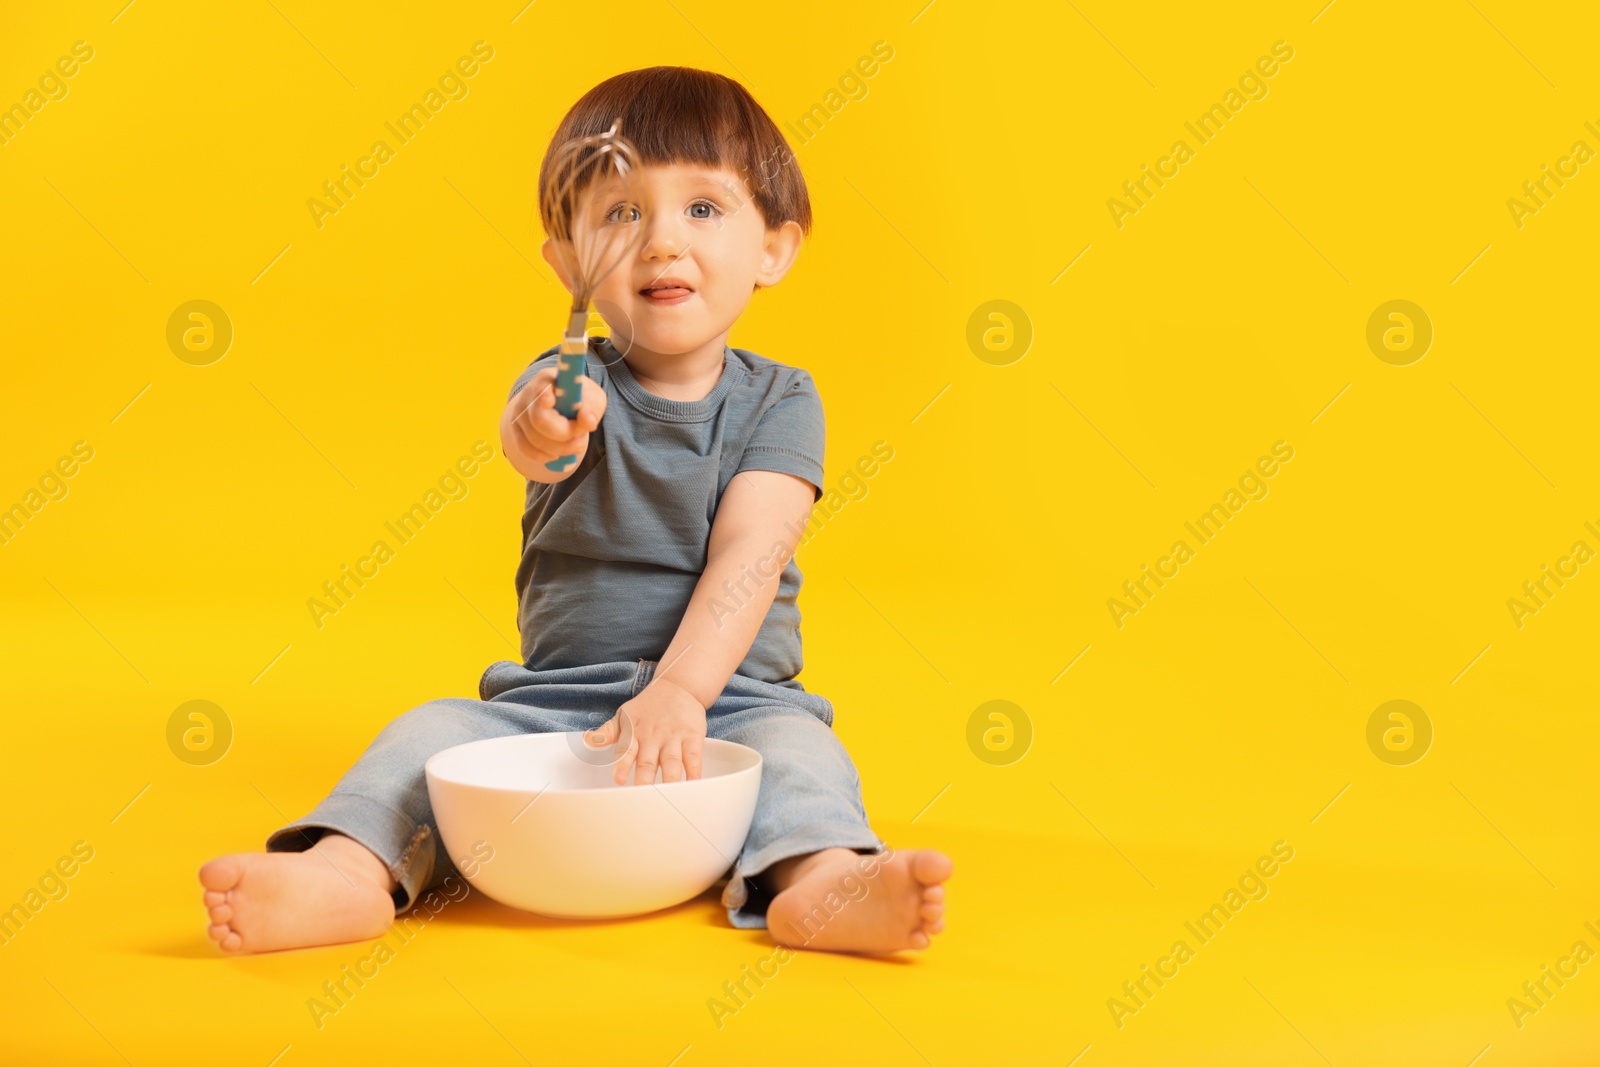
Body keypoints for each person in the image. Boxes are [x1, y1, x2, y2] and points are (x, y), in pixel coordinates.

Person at [199, 65, 951, 955]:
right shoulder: (567, 378)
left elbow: (754, 548)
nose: (662, 243)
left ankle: (822, 880)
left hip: (734, 702)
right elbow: (534, 441)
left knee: (803, 760)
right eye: (621, 213)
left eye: (702, 210)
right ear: (569, 262)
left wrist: (680, 691)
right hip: (556, 705)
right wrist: (547, 429)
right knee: (426, 734)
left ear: (774, 250)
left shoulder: (783, 399)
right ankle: (346, 871)